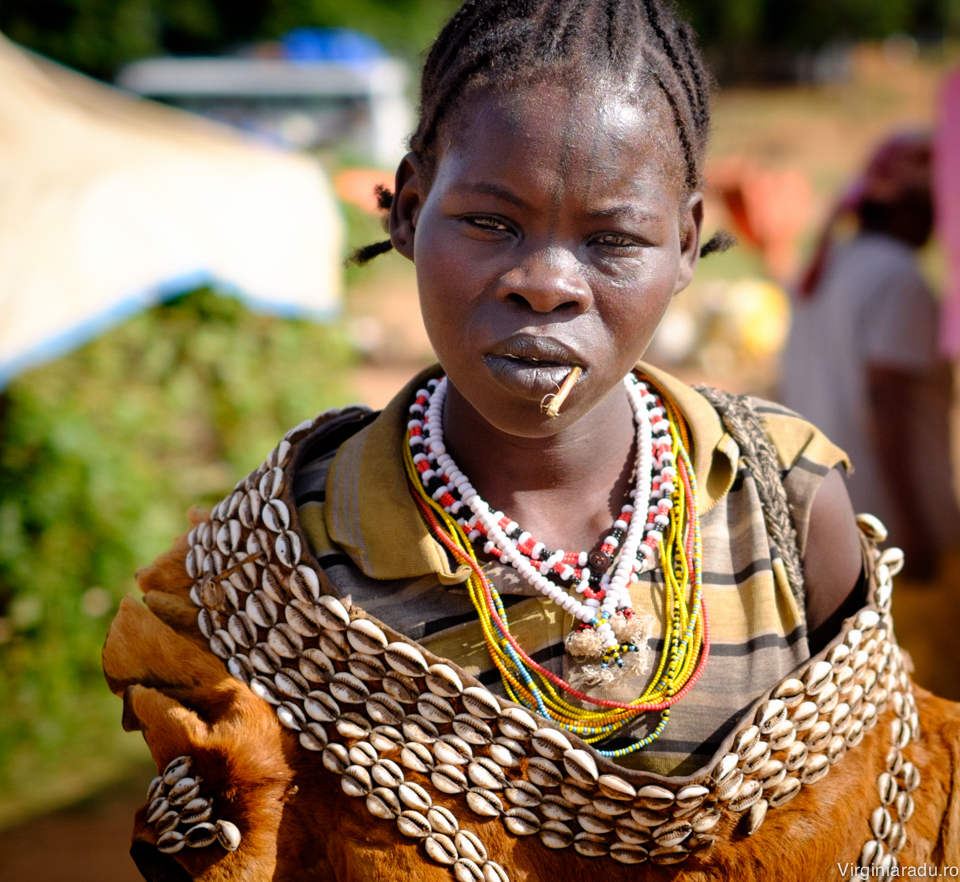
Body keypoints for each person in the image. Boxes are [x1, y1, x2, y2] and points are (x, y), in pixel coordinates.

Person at [102, 3, 960, 880]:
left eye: (613, 239)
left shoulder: (787, 502)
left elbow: (889, 809)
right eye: (489, 223)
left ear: (688, 243)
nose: (546, 284)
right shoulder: (273, 571)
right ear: (405, 209)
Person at [782, 133, 960, 578]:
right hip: (889, 528)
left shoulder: (831, 265)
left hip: (825, 516)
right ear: (915, 206)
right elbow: (888, 406)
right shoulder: (900, 278)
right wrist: (915, 528)